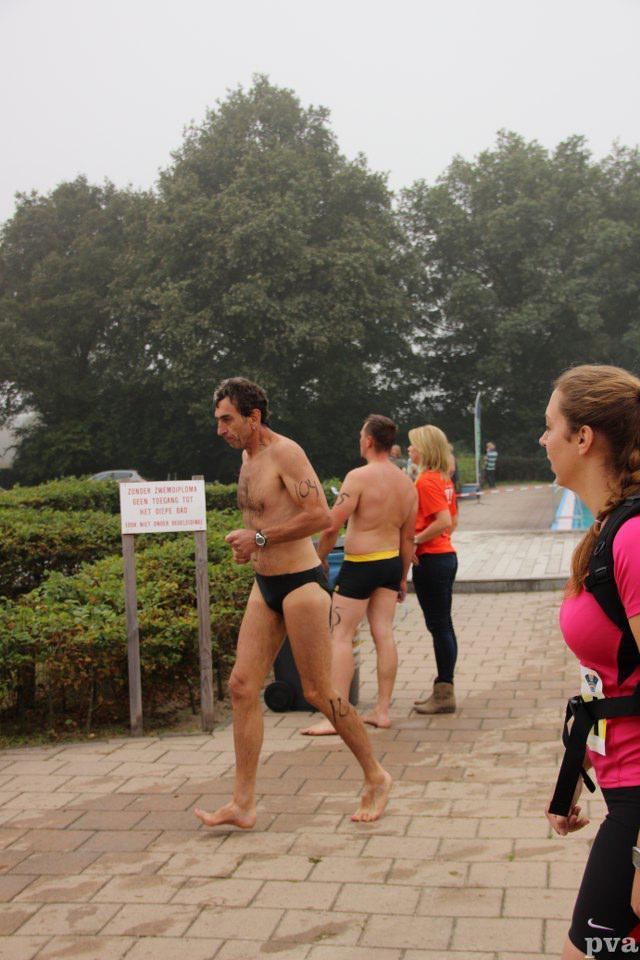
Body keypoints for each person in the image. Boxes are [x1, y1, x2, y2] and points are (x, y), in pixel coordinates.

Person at [194, 378, 392, 829]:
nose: (220, 429)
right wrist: (250, 545)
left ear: (253, 417)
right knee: (242, 686)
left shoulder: (286, 452)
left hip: (301, 585)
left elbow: (321, 516)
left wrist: (259, 537)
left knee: (319, 692)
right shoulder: (246, 459)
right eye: (218, 420)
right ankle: (243, 803)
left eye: (227, 419)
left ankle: (376, 775)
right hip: (264, 585)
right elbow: (266, 519)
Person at [541, 365, 640, 959]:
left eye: (549, 426)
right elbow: (613, 677)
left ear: (583, 438)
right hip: (622, 786)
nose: (542, 440)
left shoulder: (632, 538)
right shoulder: (607, 531)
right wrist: (574, 773)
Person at [300, 415, 417, 735]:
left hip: (360, 564)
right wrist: (402, 577)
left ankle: (337, 718)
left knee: (340, 636)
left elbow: (331, 523)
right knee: (384, 633)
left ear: (368, 441)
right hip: (391, 562)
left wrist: (319, 558)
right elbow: (409, 538)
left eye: (360, 435)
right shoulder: (407, 484)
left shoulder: (358, 477)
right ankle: (382, 711)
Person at [408, 424, 459, 715]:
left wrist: (414, 540)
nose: (410, 450)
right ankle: (443, 687)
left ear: (425, 449)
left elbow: (441, 520)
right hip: (444, 557)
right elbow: (451, 521)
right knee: (442, 625)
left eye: (414, 445)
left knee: (439, 626)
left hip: (433, 560)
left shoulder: (427, 481)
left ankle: (444, 692)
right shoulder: (444, 479)